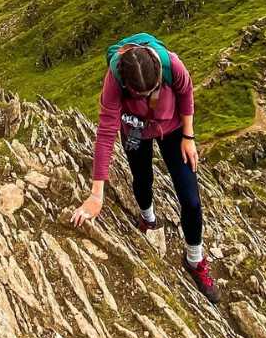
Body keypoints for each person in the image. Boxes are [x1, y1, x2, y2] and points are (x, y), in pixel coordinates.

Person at [70, 33, 220, 303]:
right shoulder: (115, 80)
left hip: (173, 129)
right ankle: (148, 220)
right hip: (136, 130)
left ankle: (194, 259)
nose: (148, 96)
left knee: (191, 199)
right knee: (142, 178)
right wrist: (96, 195)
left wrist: (189, 137)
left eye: (153, 90)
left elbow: (185, 93)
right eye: (140, 93)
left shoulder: (171, 65)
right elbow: (106, 132)